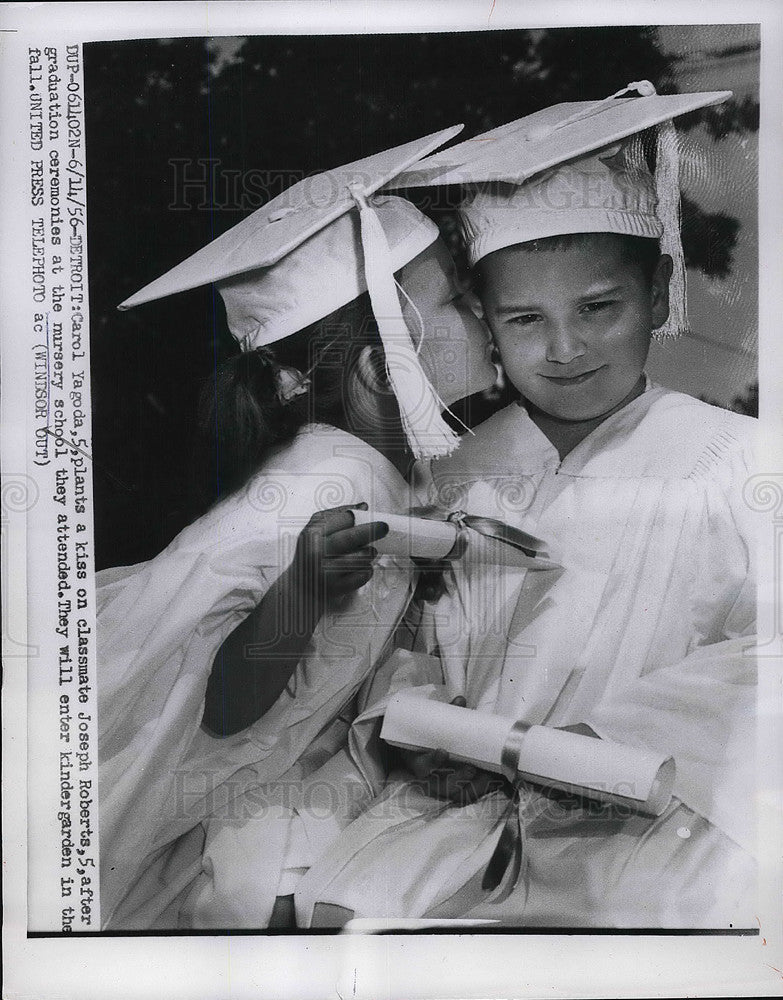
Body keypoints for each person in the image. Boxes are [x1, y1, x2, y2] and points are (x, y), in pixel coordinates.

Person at [292, 83, 759, 928]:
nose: (564, 347)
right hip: (462, 819)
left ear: (656, 294)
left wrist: (610, 740)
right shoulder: (456, 479)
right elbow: (403, 645)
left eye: (597, 308)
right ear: (483, 323)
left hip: (662, 822)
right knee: (331, 912)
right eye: (525, 319)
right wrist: (419, 728)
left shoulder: (742, 463)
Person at [96, 128, 497, 929]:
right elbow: (226, 703)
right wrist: (303, 592)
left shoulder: (373, 473)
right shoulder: (327, 484)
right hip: (201, 803)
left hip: (262, 786)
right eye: (456, 297)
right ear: (383, 370)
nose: (483, 311)